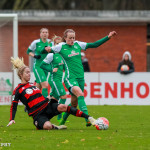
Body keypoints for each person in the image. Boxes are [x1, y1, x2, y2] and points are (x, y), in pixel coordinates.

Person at [43, 29, 117, 126]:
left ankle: (62, 121)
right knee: (80, 93)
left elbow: (94, 45)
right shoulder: (61, 47)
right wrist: (47, 49)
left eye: (73, 37)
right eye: (70, 38)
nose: (72, 40)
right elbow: (48, 50)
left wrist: (108, 37)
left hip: (80, 78)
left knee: (74, 104)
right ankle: (88, 118)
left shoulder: (78, 44)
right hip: (70, 78)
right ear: (65, 38)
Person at [7, 57, 96, 130]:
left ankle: (89, 118)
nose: (29, 74)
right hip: (37, 114)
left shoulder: (33, 84)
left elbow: (39, 97)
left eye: (29, 72)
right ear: (20, 74)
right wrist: (12, 119)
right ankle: (55, 127)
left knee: (63, 106)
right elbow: (13, 106)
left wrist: (49, 98)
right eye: (27, 73)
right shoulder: (18, 90)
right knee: (47, 126)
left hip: (47, 106)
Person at [40, 35, 67, 122]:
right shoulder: (51, 54)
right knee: (63, 97)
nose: (59, 45)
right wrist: (51, 70)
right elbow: (42, 65)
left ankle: (44, 113)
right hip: (53, 80)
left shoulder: (62, 54)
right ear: (54, 45)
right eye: (57, 44)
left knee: (54, 99)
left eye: (60, 44)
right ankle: (60, 118)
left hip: (58, 79)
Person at [27, 28, 50, 98]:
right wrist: (34, 56)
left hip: (46, 67)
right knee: (45, 85)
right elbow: (28, 51)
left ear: (48, 34)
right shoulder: (36, 42)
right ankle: (45, 104)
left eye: (46, 32)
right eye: (43, 32)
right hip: (38, 66)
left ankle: (31, 103)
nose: (44, 34)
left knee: (38, 86)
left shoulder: (50, 42)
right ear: (40, 34)